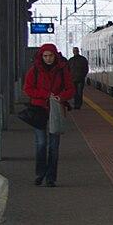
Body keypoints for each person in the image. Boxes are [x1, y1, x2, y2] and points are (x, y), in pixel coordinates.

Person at [22, 43, 75, 187]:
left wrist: (61, 97)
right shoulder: (34, 71)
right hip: (38, 110)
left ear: (55, 55)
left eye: (51, 55)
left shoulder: (62, 70)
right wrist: (45, 95)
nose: (48, 58)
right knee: (41, 144)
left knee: (54, 146)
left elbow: (70, 89)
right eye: (45, 56)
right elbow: (28, 89)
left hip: (55, 110)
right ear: (41, 56)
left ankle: (51, 177)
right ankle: (40, 174)